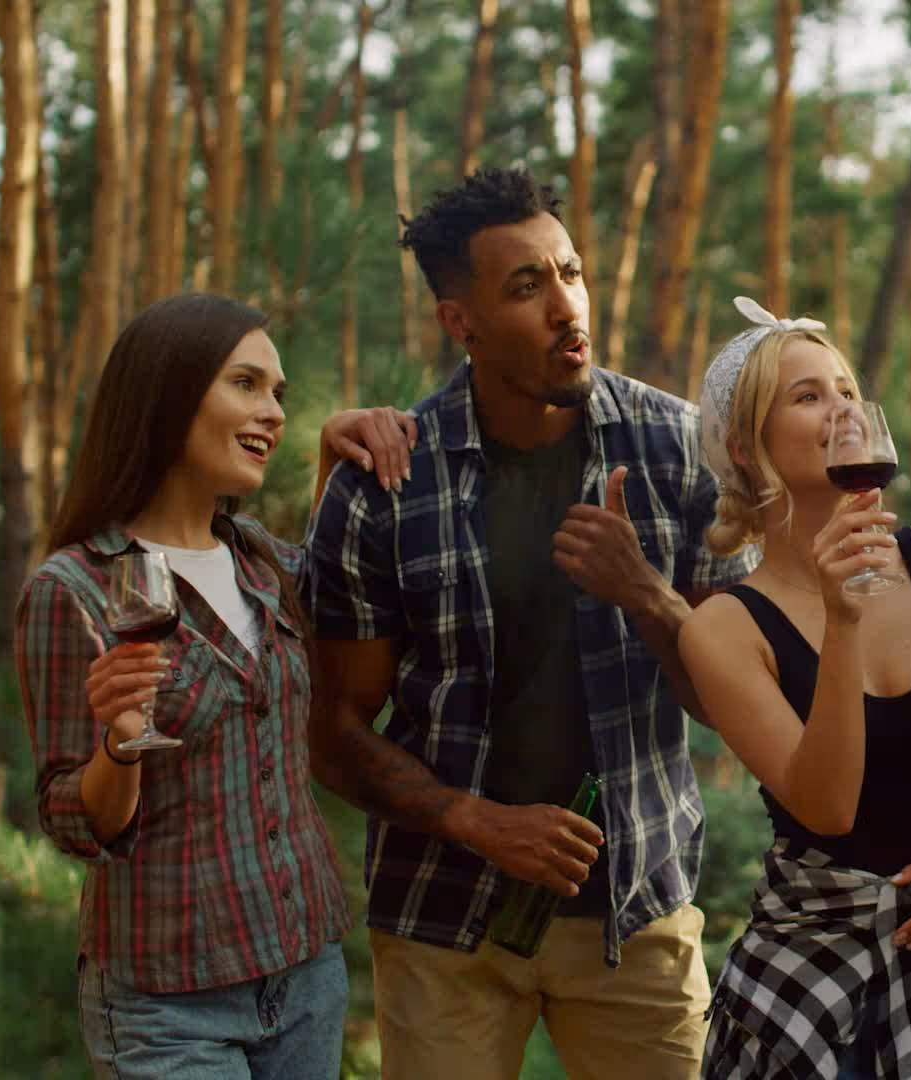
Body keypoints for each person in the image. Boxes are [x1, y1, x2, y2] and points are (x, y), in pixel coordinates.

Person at [304, 167, 756, 1080]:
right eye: (526, 285)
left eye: (570, 273)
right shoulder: (388, 481)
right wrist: (478, 821)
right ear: (458, 322)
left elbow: (733, 707)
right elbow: (335, 733)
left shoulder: (679, 452)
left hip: (640, 915)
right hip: (445, 923)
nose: (565, 305)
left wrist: (649, 595)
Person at [15, 292, 415, 1078]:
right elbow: (71, 821)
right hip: (166, 1004)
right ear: (167, 392)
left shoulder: (262, 559)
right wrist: (119, 745)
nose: (271, 411)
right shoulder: (74, 588)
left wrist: (334, 463)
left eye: (279, 394)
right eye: (245, 384)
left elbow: (340, 597)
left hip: (306, 975)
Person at [679, 298, 911, 1078]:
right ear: (745, 447)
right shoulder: (723, 629)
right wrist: (842, 621)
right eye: (807, 396)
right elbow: (828, 806)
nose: (841, 408)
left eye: (846, 389)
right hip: (806, 986)